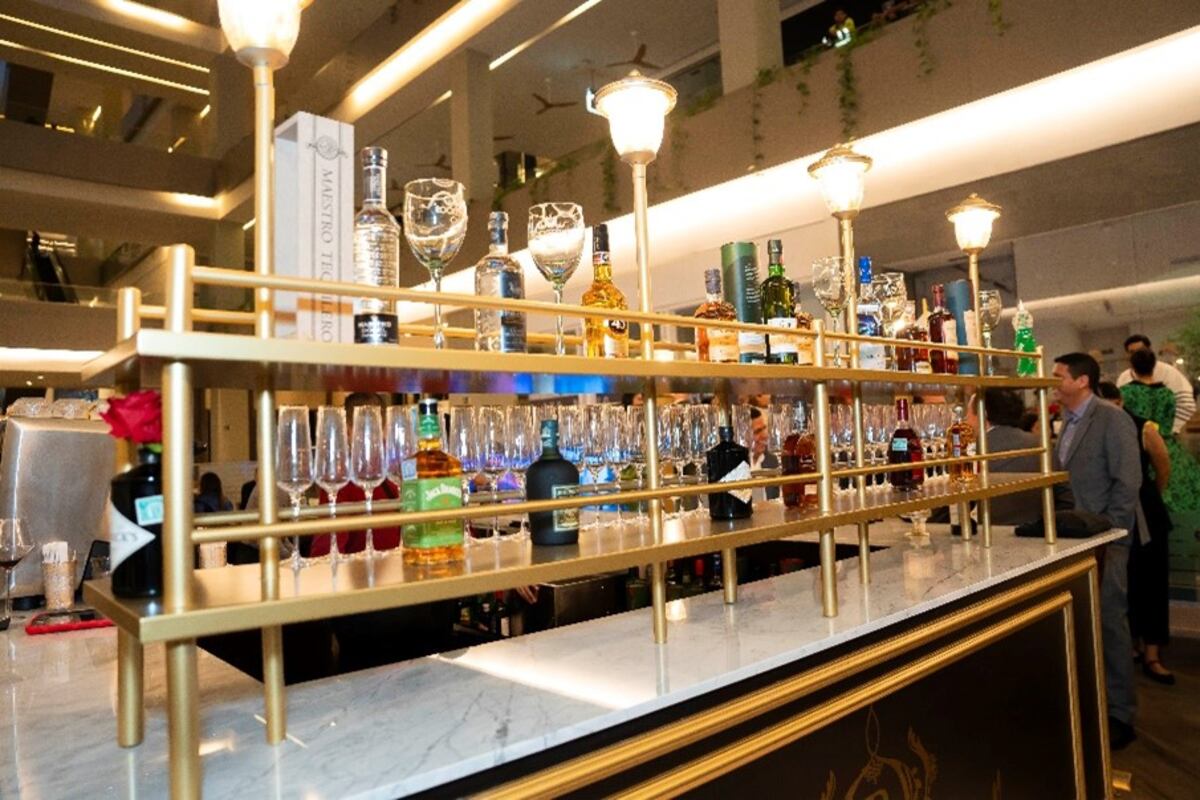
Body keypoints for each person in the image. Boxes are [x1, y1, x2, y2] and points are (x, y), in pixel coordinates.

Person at [1052, 352, 1142, 749]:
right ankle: (1093, 705)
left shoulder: (1111, 418)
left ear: (1082, 380)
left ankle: (1121, 713)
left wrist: (1113, 532)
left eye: (1058, 376)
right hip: (1076, 538)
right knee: (1087, 625)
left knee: (1110, 624)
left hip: (1108, 540)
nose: (1052, 383)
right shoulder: (1067, 423)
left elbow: (1128, 482)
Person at [1097, 382, 1175, 686]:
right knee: (1124, 583)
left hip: (1146, 514)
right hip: (1113, 515)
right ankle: (1131, 645)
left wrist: (1150, 494)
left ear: (1119, 402)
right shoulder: (1099, 431)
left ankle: (1152, 653)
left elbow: (1163, 465)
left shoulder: (1144, 427)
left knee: (1152, 583)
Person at [965, 390, 1072, 524]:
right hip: (1040, 531)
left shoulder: (971, 452)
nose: (966, 419)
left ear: (983, 414)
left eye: (968, 413)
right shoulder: (1041, 445)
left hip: (988, 533)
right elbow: (1065, 498)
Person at [1119, 347, 1200, 516]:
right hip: (1170, 449)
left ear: (1132, 368)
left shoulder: (1126, 393)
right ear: (1153, 366)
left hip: (1141, 451)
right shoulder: (1167, 393)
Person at [1116, 335, 1196, 434]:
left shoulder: (1168, 372)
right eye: (1132, 352)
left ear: (1149, 349)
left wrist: (1172, 428)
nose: (1137, 355)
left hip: (1167, 434)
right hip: (1135, 435)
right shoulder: (1124, 378)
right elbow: (1118, 411)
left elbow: (1186, 403)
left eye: (1140, 350)